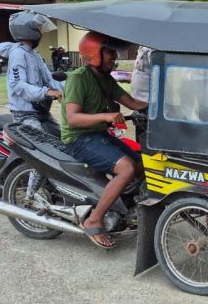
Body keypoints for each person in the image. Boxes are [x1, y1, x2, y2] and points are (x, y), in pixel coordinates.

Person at [61, 32, 148, 249]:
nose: (114, 57)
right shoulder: (78, 78)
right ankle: (93, 220)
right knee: (126, 169)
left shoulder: (106, 79)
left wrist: (165, 109)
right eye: (109, 52)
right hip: (78, 138)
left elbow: (133, 103)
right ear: (93, 54)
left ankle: (124, 207)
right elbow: (72, 118)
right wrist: (106, 116)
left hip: (98, 135)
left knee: (142, 164)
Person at [0, 11, 64, 136]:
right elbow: (18, 85)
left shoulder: (34, 54)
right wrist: (47, 92)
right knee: (42, 148)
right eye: (40, 28)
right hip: (25, 113)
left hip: (41, 110)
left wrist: (71, 85)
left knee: (63, 138)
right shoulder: (18, 54)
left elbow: (49, 80)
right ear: (28, 29)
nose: (42, 32)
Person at [130, 46, 153, 145]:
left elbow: (159, 72)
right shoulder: (143, 47)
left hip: (149, 105)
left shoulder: (153, 47)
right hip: (139, 103)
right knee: (140, 140)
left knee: (146, 142)